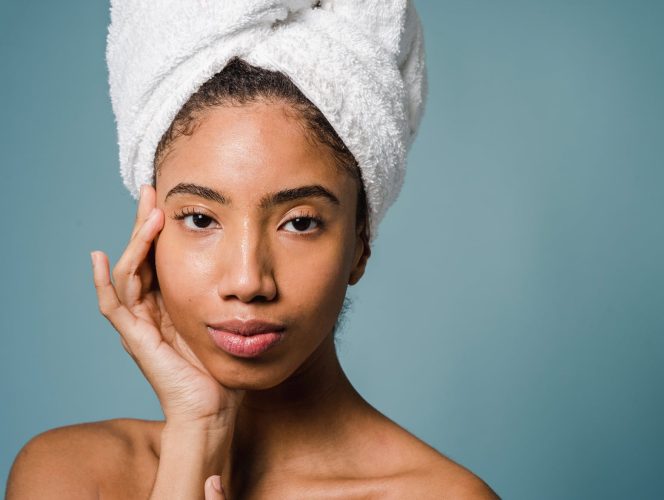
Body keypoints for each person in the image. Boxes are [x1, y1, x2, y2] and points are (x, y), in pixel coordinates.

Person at [7, 1, 499, 498]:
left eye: (300, 223)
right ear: (150, 234)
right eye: (200, 219)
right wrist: (197, 429)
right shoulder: (67, 476)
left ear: (360, 245)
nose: (247, 281)